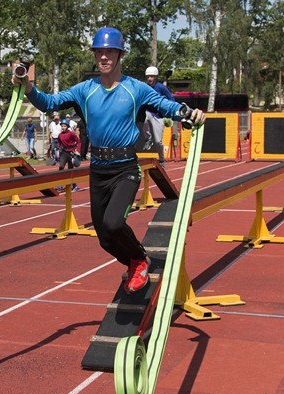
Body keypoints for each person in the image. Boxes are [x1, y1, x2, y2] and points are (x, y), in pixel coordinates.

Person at [13, 27, 205, 294]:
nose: (103, 57)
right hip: (98, 169)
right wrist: (29, 87)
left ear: (120, 55)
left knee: (114, 223)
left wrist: (187, 112)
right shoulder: (85, 90)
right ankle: (133, 260)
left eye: (109, 52)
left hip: (125, 167)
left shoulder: (136, 88)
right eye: (99, 52)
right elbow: (49, 103)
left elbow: (165, 106)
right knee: (104, 237)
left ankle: (138, 261)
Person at [142, 66, 176, 168]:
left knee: (158, 141)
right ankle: (148, 138)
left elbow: (172, 100)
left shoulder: (161, 88)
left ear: (156, 77)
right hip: (148, 112)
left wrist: (170, 113)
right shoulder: (144, 87)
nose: (150, 79)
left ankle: (161, 159)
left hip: (159, 116)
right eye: (148, 77)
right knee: (142, 117)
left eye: (152, 76)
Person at [57, 119, 81, 191]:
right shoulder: (60, 135)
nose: (63, 127)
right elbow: (59, 143)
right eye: (62, 126)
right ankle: (60, 185)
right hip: (64, 153)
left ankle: (74, 186)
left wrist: (78, 151)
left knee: (70, 170)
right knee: (61, 167)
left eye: (64, 126)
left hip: (71, 153)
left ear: (67, 126)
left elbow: (79, 142)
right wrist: (57, 150)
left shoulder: (71, 134)